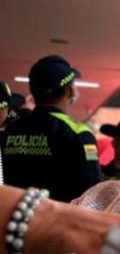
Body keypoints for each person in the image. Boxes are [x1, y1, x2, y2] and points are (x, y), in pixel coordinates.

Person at [0, 55, 102, 202]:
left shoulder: (10, 130)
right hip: (58, 221)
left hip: (12, 219)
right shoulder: (78, 133)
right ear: (69, 91)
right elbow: (93, 193)